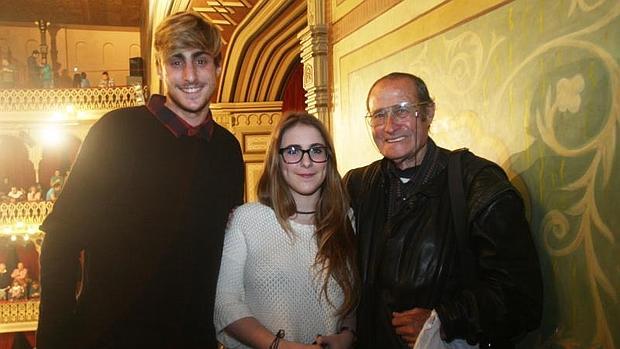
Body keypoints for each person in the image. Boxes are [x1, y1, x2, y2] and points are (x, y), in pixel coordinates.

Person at [36, 11, 244, 349]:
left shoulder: (227, 150)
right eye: (176, 62)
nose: (190, 75)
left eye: (201, 60)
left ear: (218, 67)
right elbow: (61, 239)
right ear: (160, 70)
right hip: (108, 338)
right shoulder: (115, 131)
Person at [343, 72, 543, 348]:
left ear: (428, 113)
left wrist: (446, 320)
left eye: (402, 111)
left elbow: (521, 297)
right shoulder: (358, 185)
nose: (389, 126)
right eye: (378, 115)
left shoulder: (476, 184)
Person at [214, 112, 358, 349]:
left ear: (328, 159)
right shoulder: (247, 219)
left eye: (316, 150)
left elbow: (352, 295)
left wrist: (347, 334)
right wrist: (280, 347)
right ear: (277, 161)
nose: (306, 161)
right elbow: (225, 302)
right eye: (292, 151)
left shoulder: (345, 220)